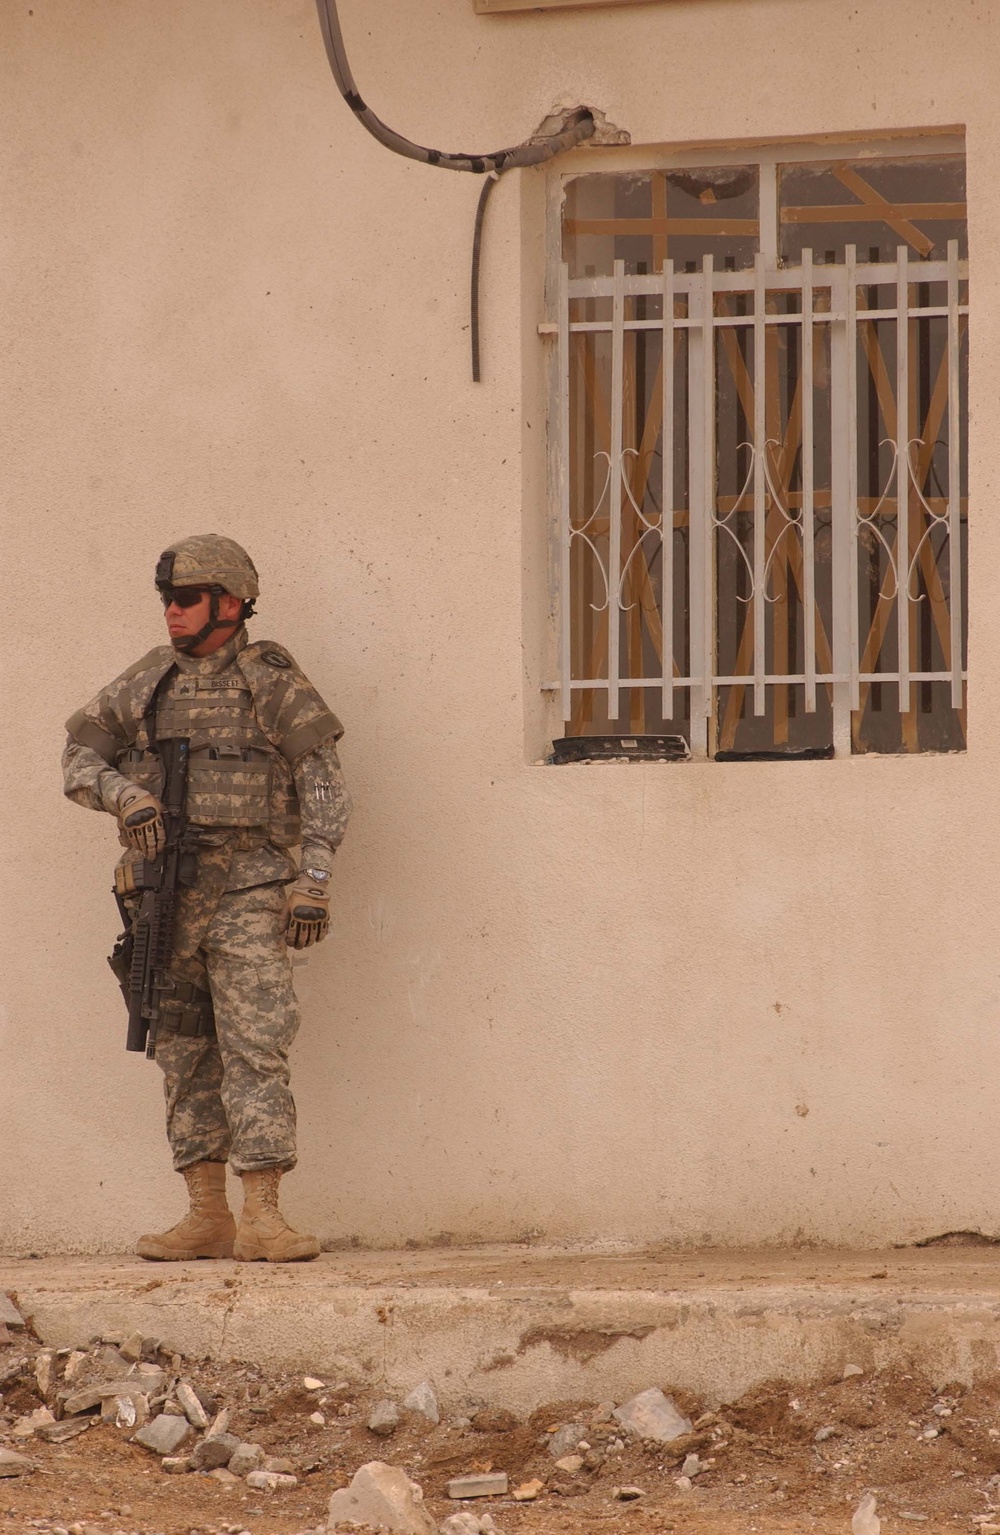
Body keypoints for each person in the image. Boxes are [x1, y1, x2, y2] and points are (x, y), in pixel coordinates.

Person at [62, 534, 351, 1262]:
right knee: (183, 1049)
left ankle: (263, 1215)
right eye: (166, 599)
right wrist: (125, 795)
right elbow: (77, 755)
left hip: (250, 887)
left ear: (230, 602)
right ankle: (206, 1213)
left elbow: (322, 778)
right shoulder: (149, 679)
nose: (172, 612)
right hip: (167, 897)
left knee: (256, 1044)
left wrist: (312, 877)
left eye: (186, 598)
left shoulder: (269, 676)